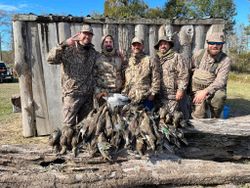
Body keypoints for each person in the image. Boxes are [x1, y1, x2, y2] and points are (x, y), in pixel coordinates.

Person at [47, 24, 98, 153]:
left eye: (90, 34)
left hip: (87, 95)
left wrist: (119, 56)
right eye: (84, 33)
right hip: (72, 94)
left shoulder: (92, 52)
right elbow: (51, 59)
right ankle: (64, 147)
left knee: (84, 124)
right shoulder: (68, 49)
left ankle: (78, 146)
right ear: (79, 34)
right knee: (68, 125)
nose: (87, 36)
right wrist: (63, 44)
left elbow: (104, 60)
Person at [191, 32, 232, 119]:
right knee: (199, 114)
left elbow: (220, 81)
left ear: (222, 45)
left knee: (219, 96)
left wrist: (205, 91)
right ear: (208, 43)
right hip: (195, 88)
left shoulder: (225, 60)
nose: (215, 46)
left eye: (218, 44)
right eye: (212, 43)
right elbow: (190, 68)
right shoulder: (199, 54)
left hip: (213, 88)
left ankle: (215, 117)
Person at [122, 37, 160, 110]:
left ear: (142, 46)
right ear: (131, 47)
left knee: (147, 120)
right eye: (134, 45)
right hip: (130, 99)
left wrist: (152, 95)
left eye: (139, 45)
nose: (136, 47)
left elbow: (156, 79)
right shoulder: (128, 61)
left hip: (145, 98)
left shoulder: (149, 60)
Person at [154, 35, 189, 115]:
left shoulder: (177, 57)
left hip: (173, 96)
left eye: (165, 44)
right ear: (158, 47)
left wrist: (180, 90)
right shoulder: (155, 59)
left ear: (169, 45)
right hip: (159, 96)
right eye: (161, 44)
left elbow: (183, 74)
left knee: (172, 118)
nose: (163, 46)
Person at [94, 34, 124, 107]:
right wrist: (97, 93)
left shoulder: (119, 58)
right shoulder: (97, 58)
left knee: (117, 117)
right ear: (102, 44)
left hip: (117, 94)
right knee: (104, 117)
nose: (108, 44)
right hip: (103, 95)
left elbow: (124, 73)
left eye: (110, 42)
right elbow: (93, 77)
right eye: (106, 42)